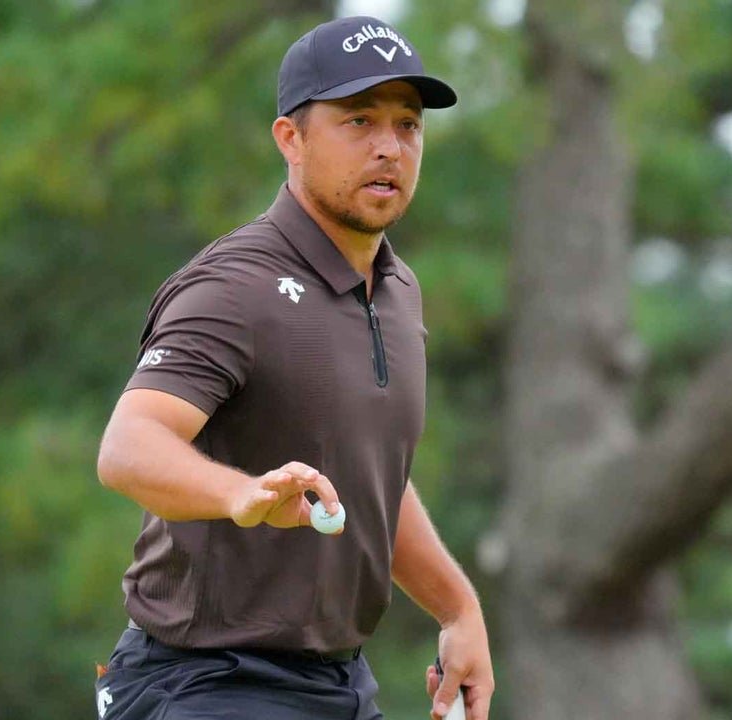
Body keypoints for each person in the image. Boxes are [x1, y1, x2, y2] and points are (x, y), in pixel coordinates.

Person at [94, 15, 494, 720]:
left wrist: (459, 609)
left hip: (337, 686)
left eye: (407, 125)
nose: (389, 147)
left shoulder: (397, 294)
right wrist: (239, 495)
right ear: (291, 139)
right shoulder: (235, 284)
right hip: (205, 681)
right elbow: (129, 448)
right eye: (359, 120)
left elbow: (369, 480)